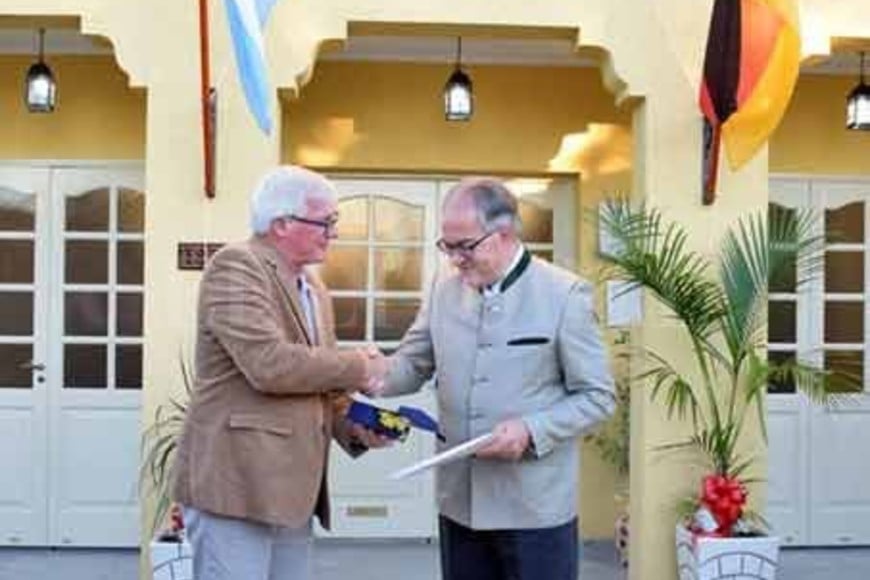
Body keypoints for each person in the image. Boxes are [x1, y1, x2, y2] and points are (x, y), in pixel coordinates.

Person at [382, 177, 616, 580]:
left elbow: (598, 397)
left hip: (534, 510)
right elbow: (413, 364)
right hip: (460, 503)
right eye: (447, 245)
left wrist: (531, 429)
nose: (454, 259)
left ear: (504, 234)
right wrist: (367, 373)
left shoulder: (564, 294)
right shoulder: (442, 287)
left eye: (464, 246)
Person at [171, 165, 389, 580]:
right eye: (326, 222)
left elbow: (319, 384)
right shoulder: (235, 265)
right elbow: (268, 364)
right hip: (236, 486)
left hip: (293, 492)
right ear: (282, 223)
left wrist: (357, 426)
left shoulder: (314, 287)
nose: (334, 233)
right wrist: (361, 366)